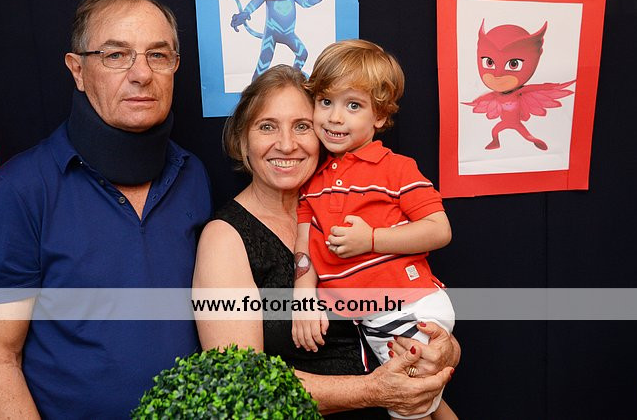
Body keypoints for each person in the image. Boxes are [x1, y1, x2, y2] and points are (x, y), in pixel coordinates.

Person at [0, 0, 212, 418]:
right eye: (116, 55)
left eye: (158, 55)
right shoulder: (20, 190)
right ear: (78, 70)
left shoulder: (192, 175)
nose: (142, 74)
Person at [193, 65, 458, 418]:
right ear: (243, 141)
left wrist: (444, 350)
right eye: (267, 126)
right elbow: (239, 380)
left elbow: (402, 317)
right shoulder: (225, 239)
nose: (286, 144)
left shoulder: (354, 206)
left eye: (302, 126)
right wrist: (374, 391)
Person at [291, 39, 456, 420]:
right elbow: (304, 243)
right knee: (422, 402)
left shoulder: (395, 168)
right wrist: (303, 297)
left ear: (379, 116)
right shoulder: (312, 181)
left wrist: (372, 239)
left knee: (410, 404)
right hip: (370, 316)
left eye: (353, 106)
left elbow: (439, 230)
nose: (335, 117)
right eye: (326, 102)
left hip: (408, 304)